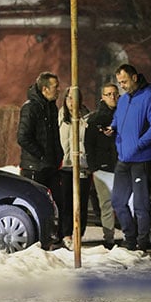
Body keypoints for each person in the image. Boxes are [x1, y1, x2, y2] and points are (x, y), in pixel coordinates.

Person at [110, 64, 151, 251]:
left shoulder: (149, 97)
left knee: (140, 204)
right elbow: (118, 119)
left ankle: (142, 242)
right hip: (124, 157)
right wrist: (112, 128)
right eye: (119, 82)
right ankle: (130, 237)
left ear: (134, 78)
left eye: (124, 81)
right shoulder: (124, 100)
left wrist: (139, 144)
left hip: (143, 158)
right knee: (117, 200)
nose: (121, 85)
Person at [17, 72, 63, 242]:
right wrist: (42, 155)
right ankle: (36, 241)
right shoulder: (30, 107)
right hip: (34, 167)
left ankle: (53, 238)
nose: (59, 90)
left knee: (56, 203)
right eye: (55, 87)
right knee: (36, 204)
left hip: (51, 166)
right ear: (44, 89)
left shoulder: (51, 107)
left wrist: (58, 155)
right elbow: (23, 137)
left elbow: (53, 136)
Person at [84, 83, 119, 249]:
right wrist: (94, 167)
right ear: (102, 97)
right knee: (106, 204)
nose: (112, 97)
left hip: (121, 165)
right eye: (108, 94)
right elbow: (88, 145)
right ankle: (109, 239)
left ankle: (129, 235)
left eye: (114, 94)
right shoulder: (95, 119)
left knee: (124, 202)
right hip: (102, 168)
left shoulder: (123, 115)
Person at [57, 87, 91, 250]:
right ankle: (66, 235)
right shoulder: (60, 116)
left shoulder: (87, 117)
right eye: (68, 97)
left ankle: (79, 234)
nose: (71, 101)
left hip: (82, 167)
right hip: (64, 166)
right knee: (66, 203)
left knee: (81, 203)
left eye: (74, 98)